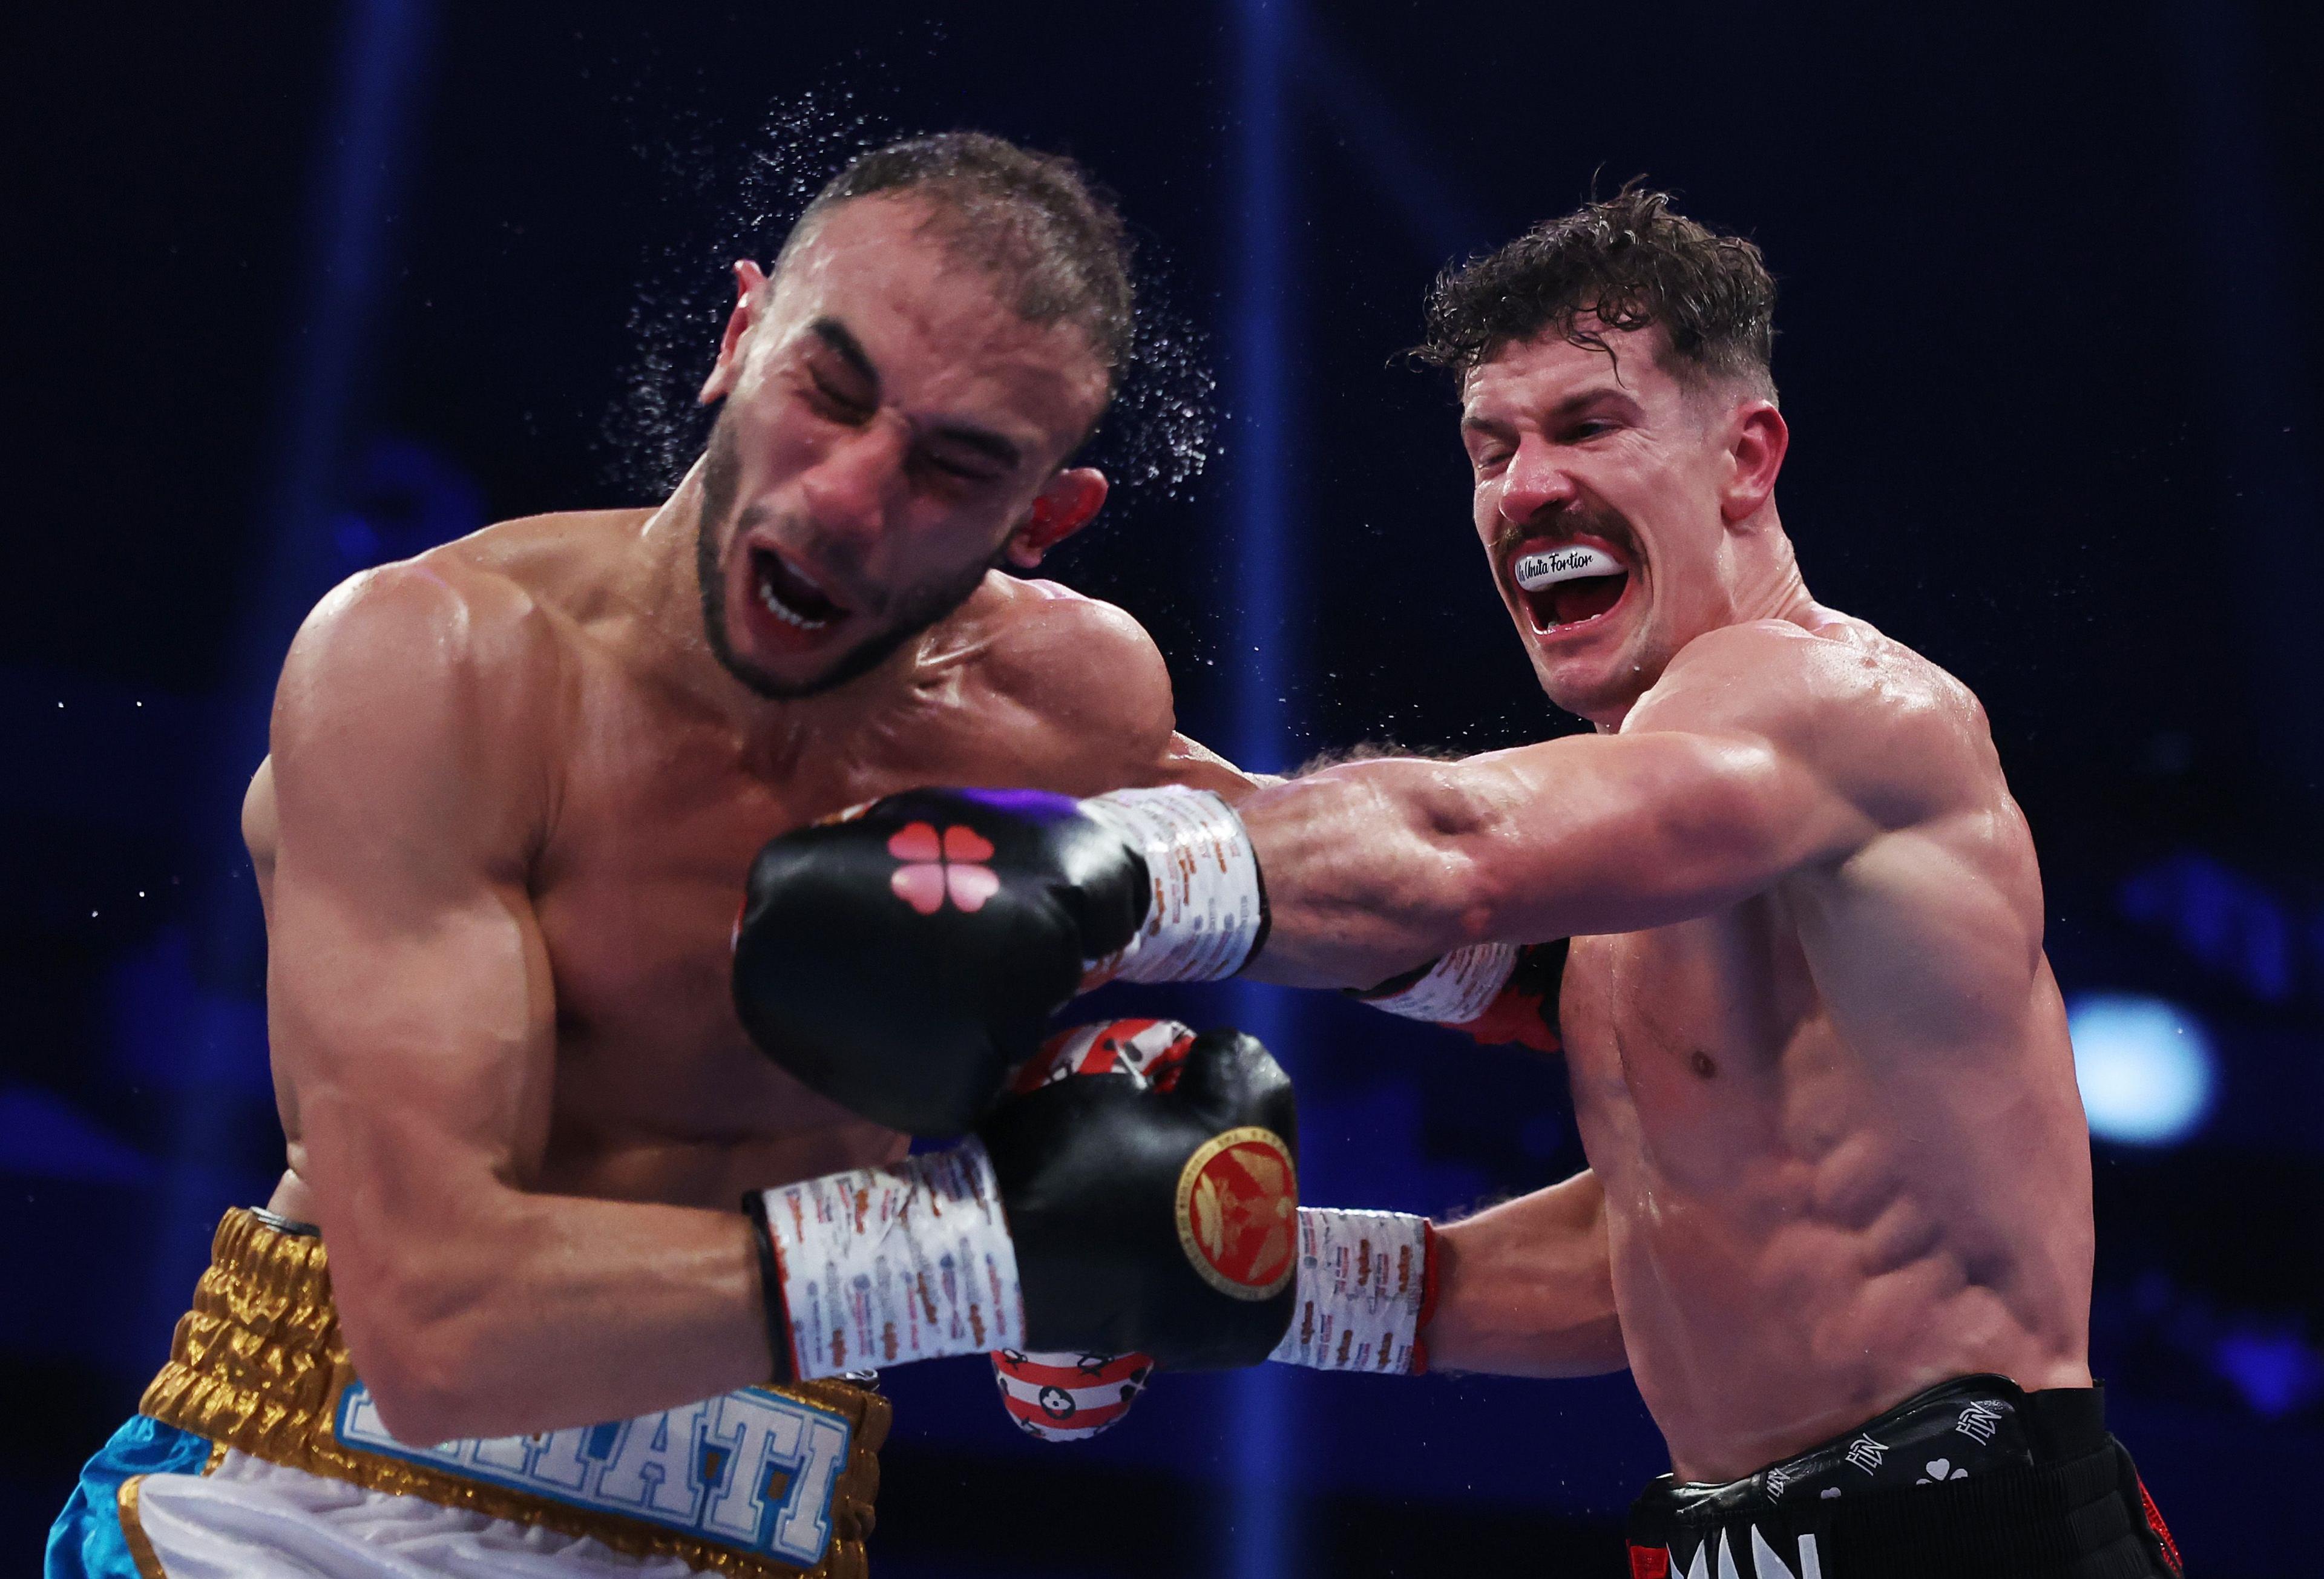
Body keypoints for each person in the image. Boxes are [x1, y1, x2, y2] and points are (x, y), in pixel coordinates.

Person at [729, 188, 2185, 1577]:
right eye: (1490, 448)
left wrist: (1086, 869)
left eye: (1588, 425)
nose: (1528, 484)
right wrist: (1220, 1265)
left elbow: (1451, 853)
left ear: (1746, 458)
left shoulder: (1832, 707)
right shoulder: (1664, 848)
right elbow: (1670, 1243)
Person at [45, 132, 1318, 1579]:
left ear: (1041, 520)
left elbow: (1367, 872)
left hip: (757, 1511)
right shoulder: (442, 665)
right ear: (737, 337)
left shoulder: (1060, 711)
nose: (845, 496)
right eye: (825, 393)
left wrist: (1566, 942)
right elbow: (441, 1331)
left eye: (956, 466)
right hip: (312, 1503)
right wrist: (985, 1249)